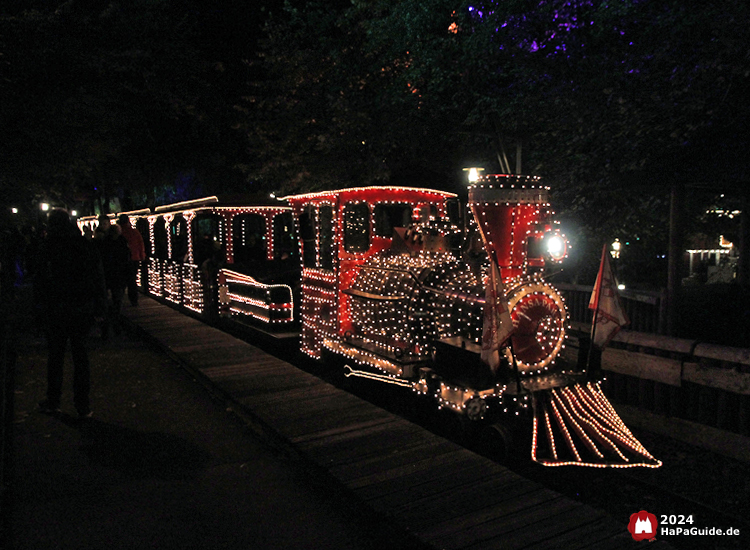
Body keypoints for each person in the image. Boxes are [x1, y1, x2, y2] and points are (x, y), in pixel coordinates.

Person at [34, 208, 106, 418]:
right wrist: (100, 306)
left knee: (55, 356)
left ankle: (53, 400)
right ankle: (82, 404)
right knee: (80, 356)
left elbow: (39, 282)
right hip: (80, 307)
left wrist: (38, 310)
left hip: (55, 308)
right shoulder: (83, 245)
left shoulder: (48, 247)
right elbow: (97, 276)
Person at [97, 224, 130, 338]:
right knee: (117, 302)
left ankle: (107, 327)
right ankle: (115, 325)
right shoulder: (122, 243)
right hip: (117, 276)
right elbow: (127, 260)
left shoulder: (104, 243)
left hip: (109, 276)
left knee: (108, 302)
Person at [117, 214, 146, 306]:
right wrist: (142, 256)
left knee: (121, 280)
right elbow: (140, 244)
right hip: (134, 258)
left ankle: (119, 299)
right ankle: (134, 300)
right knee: (132, 280)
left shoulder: (119, 233)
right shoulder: (134, 232)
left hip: (122, 260)